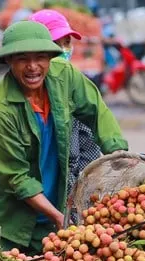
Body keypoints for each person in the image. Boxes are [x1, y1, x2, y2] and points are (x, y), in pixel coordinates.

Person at [0, 21, 128, 261]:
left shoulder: (64, 75)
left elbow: (97, 112)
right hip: (7, 222)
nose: (33, 67)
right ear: (9, 62)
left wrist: (118, 154)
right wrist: (59, 218)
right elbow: (18, 179)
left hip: (53, 210)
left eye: (41, 57)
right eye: (22, 59)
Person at [27, 9, 102, 205]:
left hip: (67, 199)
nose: (62, 50)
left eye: (67, 43)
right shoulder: (21, 93)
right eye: (54, 44)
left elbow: (90, 145)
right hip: (30, 198)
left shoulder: (74, 85)